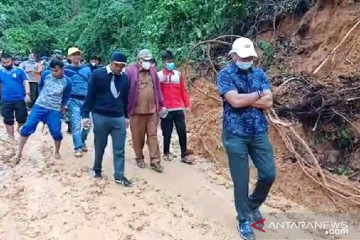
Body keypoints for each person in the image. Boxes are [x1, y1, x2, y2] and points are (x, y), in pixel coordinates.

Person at [217, 37, 276, 240]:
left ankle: (251, 205)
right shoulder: (225, 74)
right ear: (233, 56)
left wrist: (247, 99)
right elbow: (234, 101)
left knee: (268, 174)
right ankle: (243, 220)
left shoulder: (259, 73)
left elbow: (268, 101)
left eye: (250, 57)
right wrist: (257, 94)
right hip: (235, 135)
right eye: (243, 57)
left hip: (258, 132)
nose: (247, 60)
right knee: (241, 181)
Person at [82, 51, 131, 187]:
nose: (119, 68)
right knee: (100, 145)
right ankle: (97, 169)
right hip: (100, 115)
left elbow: (125, 99)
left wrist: (126, 116)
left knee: (119, 148)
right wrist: (85, 115)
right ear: (111, 62)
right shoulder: (97, 75)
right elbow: (90, 95)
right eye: (117, 65)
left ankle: (119, 175)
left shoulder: (125, 79)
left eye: (122, 66)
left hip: (118, 117)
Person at [16, 58, 72, 162]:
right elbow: (40, 86)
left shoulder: (67, 81)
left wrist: (62, 105)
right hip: (39, 106)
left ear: (62, 69)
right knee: (27, 128)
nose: (54, 73)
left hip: (54, 109)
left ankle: (56, 151)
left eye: (56, 70)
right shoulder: (46, 75)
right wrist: (42, 97)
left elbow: (66, 95)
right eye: (52, 70)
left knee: (56, 132)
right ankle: (19, 152)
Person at [126, 49, 165, 173]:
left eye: (150, 60)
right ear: (139, 60)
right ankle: (139, 157)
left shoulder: (153, 71)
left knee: (153, 135)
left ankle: (155, 160)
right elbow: (125, 90)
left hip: (152, 110)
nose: (148, 63)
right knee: (138, 136)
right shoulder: (130, 71)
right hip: (136, 111)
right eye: (146, 60)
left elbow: (157, 89)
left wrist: (161, 104)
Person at [158, 50, 193, 164]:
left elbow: (182, 91)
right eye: (168, 61)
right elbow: (158, 93)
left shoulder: (177, 74)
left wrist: (186, 104)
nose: (170, 63)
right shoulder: (159, 76)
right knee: (166, 132)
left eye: (172, 61)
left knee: (182, 131)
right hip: (166, 109)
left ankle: (184, 154)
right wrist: (160, 107)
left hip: (178, 108)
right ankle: (166, 152)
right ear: (163, 62)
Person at [65, 47, 91, 157]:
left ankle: (82, 140)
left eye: (78, 54)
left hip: (86, 101)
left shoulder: (87, 70)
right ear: (69, 57)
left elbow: (91, 84)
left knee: (87, 126)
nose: (76, 57)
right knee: (76, 125)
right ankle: (78, 147)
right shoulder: (66, 70)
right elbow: (64, 86)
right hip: (72, 100)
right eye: (73, 55)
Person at [0, 53, 30, 142]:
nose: (6, 64)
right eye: (4, 63)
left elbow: (25, 82)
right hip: (6, 99)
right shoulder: (0, 72)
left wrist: (27, 94)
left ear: (12, 61)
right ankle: (11, 137)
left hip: (19, 99)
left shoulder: (20, 71)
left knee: (21, 118)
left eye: (8, 62)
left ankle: (18, 129)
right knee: (8, 119)